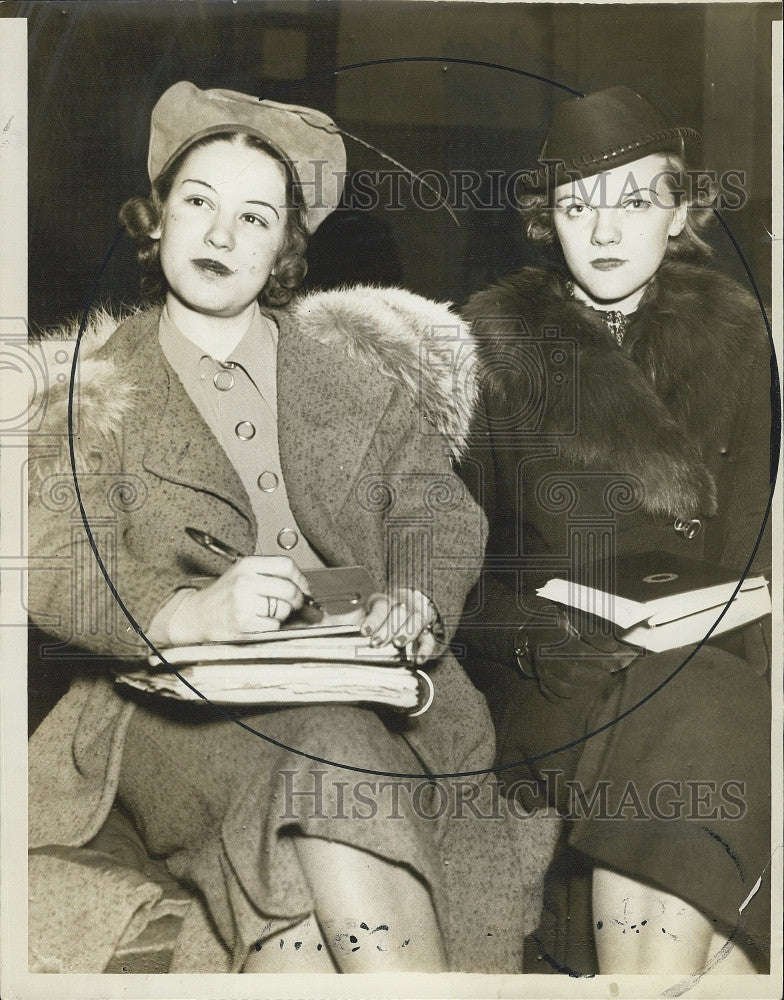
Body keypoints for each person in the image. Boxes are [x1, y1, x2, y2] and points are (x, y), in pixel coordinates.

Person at [26, 81, 546, 974]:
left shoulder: (352, 379)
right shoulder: (87, 384)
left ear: (286, 253)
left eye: (256, 217)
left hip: (368, 694)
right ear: (155, 222)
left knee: (303, 922)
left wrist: (416, 592)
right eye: (199, 203)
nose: (223, 236)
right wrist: (183, 612)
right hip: (168, 717)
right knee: (325, 747)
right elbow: (53, 560)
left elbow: (432, 503)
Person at [456, 86, 773, 975]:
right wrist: (530, 637)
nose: (601, 233)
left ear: (680, 212)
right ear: (543, 221)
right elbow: (443, 567)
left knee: (711, 708)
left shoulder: (746, 343)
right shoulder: (485, 348)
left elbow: (756, 556)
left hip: (696, 674)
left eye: (635, 201)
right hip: (544, 685)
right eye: (573, 205)